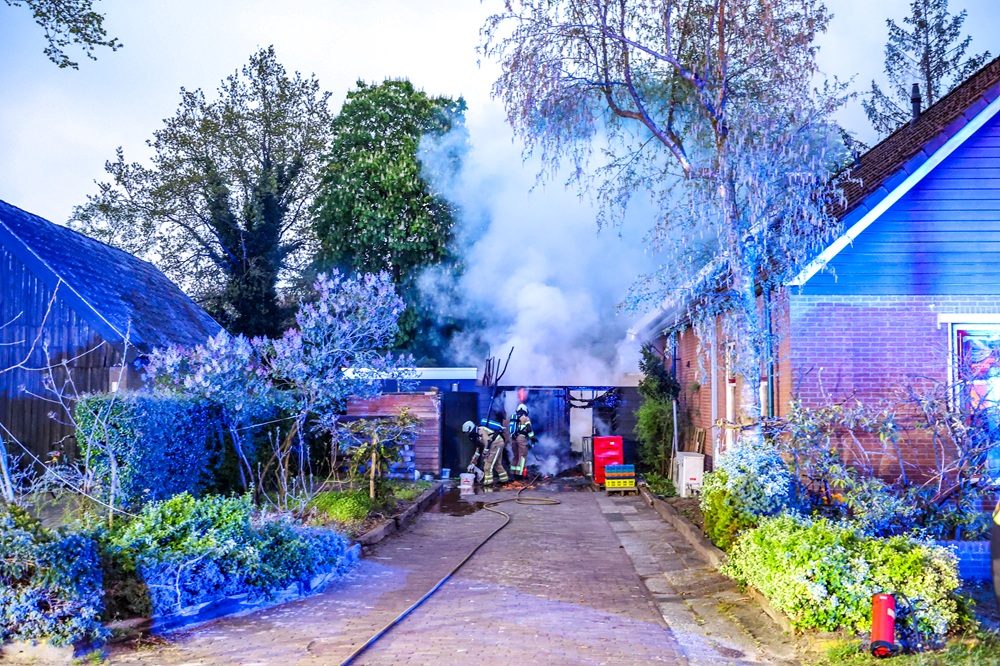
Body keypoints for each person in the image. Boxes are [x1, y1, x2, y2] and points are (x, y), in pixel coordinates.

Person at [463, 420, 508, 485]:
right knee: (497, 464)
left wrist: (485, 452)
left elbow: (488, 441)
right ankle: (504, 480)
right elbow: (478, 449)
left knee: (488, 464)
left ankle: (488, 482)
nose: (468, 434)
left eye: (467, 432)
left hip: (496, 443)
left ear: (470, 428)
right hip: (494, 444)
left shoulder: (480, 430)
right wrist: (473, 462)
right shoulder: (476, 435)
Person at [508, 403, 537, 478]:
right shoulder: (525, 418)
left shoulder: (513, 418)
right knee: (522, 456)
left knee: (516, 456)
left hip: (513, 439)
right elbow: (529, 429)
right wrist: (532, 438)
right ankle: (519, 474)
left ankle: (512, 473)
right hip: (521, 438)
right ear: (525, 410)